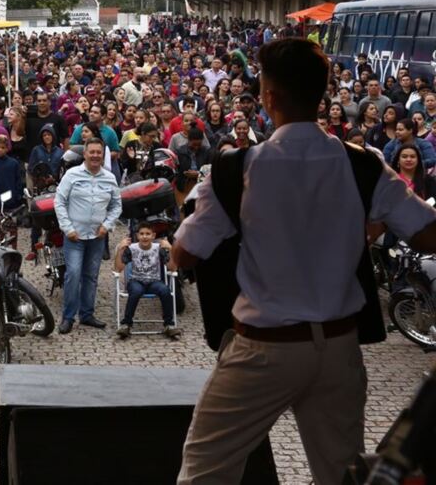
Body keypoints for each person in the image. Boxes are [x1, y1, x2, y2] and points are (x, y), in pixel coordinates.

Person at [171, 38, 436, 484]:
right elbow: (429, 233)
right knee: (339, 474)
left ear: (268, 96)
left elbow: (184, 255)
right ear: (323, 92)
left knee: (206, 470)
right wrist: (366, 228)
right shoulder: (365, 166)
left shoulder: (238, 168)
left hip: (262, 347)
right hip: (338, 347)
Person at [54, 138, 121, 334]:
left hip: (97, 237)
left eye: (98, 152)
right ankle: (68, 317)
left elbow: (117, 205)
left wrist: (107, 226)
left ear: (103, 155)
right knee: (73, 274)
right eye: (91, 152)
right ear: (84, 154)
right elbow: (59, 201)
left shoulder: (109, 178)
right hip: (74, 236)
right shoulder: (71, 175)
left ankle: (87, 314)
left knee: (91, 276)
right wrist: (68, 228)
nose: (95, 155)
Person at [113, 222, 180, 339]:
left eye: (148, 234)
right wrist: (120, 249)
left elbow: (172, 268)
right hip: (136, 281)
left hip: (154, 281)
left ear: (153, 236)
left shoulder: (158, 249)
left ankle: (169, 325)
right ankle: (126, 324)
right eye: (142, 234)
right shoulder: (131, 249)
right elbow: (118, 268)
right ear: (137, 236)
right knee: (136, 291)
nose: (144, 236)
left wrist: (170, 249)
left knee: (165, 290)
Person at [0, 135, 24, 249]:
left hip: (11, 204)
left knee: (12, 230)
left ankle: (13, 251)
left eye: (3, 147)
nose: (0, 149)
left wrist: (17, 196)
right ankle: (0, 252)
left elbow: (18, 181)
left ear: (7, 148)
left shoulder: (13, 163)